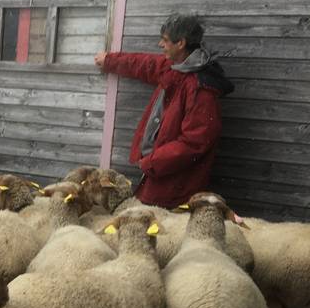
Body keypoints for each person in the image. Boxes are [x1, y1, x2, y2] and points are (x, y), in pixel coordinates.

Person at [95, 13, 234, 209]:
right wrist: (109, 61)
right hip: (159, 176)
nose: (160, 44)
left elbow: (194, 143)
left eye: (165, 40)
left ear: (181, 43)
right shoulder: (176, 68)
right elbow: (145, 64)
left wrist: (151, 162)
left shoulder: (201, 89)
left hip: (174, 187)